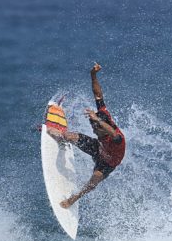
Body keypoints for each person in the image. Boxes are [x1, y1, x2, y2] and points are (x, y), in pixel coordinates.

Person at [47, 63, 126, 208]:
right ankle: (63, 141)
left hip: (107, 164)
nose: (93, 130)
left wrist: (96, 120)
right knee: (68, 136)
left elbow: (113, 133)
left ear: (102, 127)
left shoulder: (117, 139)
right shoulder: (103, 114)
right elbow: (98, 94)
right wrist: (93, 75)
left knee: (95, 178)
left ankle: (73, 199)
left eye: (95, 128)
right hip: (98, 148)